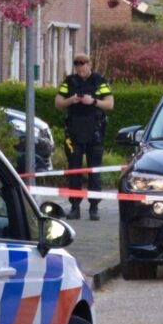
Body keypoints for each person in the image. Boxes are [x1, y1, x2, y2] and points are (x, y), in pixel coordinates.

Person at [54, 52, 114, 220]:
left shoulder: (99, 81)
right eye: (77, 67)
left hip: (94, 131)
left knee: (94, 171)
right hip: (74, 131)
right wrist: (71, 100)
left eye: (83, 66)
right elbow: (58, 103)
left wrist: (93, 101)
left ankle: (94, 207)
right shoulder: (69, 82)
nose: (80, 70)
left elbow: (110, 103)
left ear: (89, 64)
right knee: (74, 170)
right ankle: (75, 207)